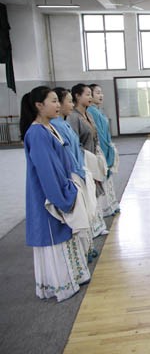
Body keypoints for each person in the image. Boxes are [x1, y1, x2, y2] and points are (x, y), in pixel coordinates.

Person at [20, 86, 91, 302]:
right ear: (38, 105)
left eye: (58, 101)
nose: (58, 105)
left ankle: (74, 276)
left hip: (63, 187)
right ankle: (60, 283)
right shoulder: (36, 133)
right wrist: (61, 197)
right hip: (50, 195)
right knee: (54, 235)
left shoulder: (49, 127)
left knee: (66, 234)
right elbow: (47, 171)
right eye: (53, 101)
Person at [51, 87, 96, 263]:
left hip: (79, 169)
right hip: (72, 173)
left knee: (85, 210)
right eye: (68, 101)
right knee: (77, 215)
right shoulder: (55, 126)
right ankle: (83, 251)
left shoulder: (64, 123)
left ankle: (87, 247)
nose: (71, 105)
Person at [67, 83, 108, 237]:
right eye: (87, 94)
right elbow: (74, 142)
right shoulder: (73, 117)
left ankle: (98, 224)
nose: (90, 97)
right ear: (77, 96)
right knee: (88, 192)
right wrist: (85, 158)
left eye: (91, 94)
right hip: (84, 159)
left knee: (95, 190)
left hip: (93, 156)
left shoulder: (88, 114)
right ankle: (91, 226)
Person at [88, 84, 120, 217]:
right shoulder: (91, 111)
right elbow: (98, 134)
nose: (101, 95)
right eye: (97, 93)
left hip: (106, 146)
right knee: (101, 176)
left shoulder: (98, 110)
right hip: (100, 149)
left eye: (101, 92)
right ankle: (105, 208)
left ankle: (111, 205)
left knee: (108, 179)